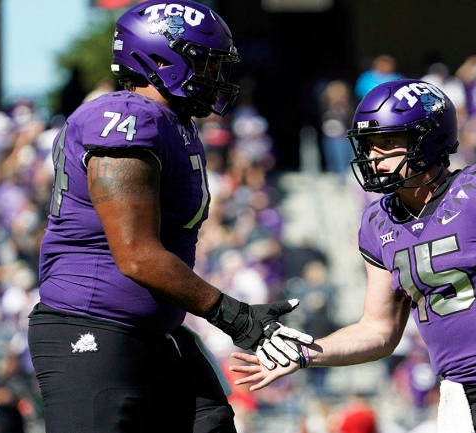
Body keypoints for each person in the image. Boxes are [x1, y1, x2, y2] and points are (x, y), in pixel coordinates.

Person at [230, 78, 476, 433]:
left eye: (387, 141)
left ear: (426, 140)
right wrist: (305, 352)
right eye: (367, 144)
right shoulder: (378, 222)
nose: (373, 154)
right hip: (455, 395)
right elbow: (378, 331)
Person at [26, 2, 311, 433]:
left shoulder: (171, 121)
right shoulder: (125, 118)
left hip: (154, 332)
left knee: (212, 422)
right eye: (205, 62)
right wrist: (236, 317)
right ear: (160, 60)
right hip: (93, 328)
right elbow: (137, 255)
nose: (215, 75)